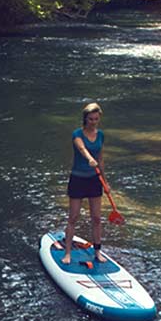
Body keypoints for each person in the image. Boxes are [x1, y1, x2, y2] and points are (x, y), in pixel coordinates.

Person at [58, 102, 107, 266]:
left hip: (94, 180)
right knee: (73, 217)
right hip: (78, 179)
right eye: (91, 119)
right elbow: (81, 148)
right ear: (85, 119)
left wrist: (105, 182)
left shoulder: (100, 135)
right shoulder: (77, 133)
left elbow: (100, 159)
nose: (94, 122)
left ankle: (98, 251)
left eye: (96, 119)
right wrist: (89, 159)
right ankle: (67, 253)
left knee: (97, 218)